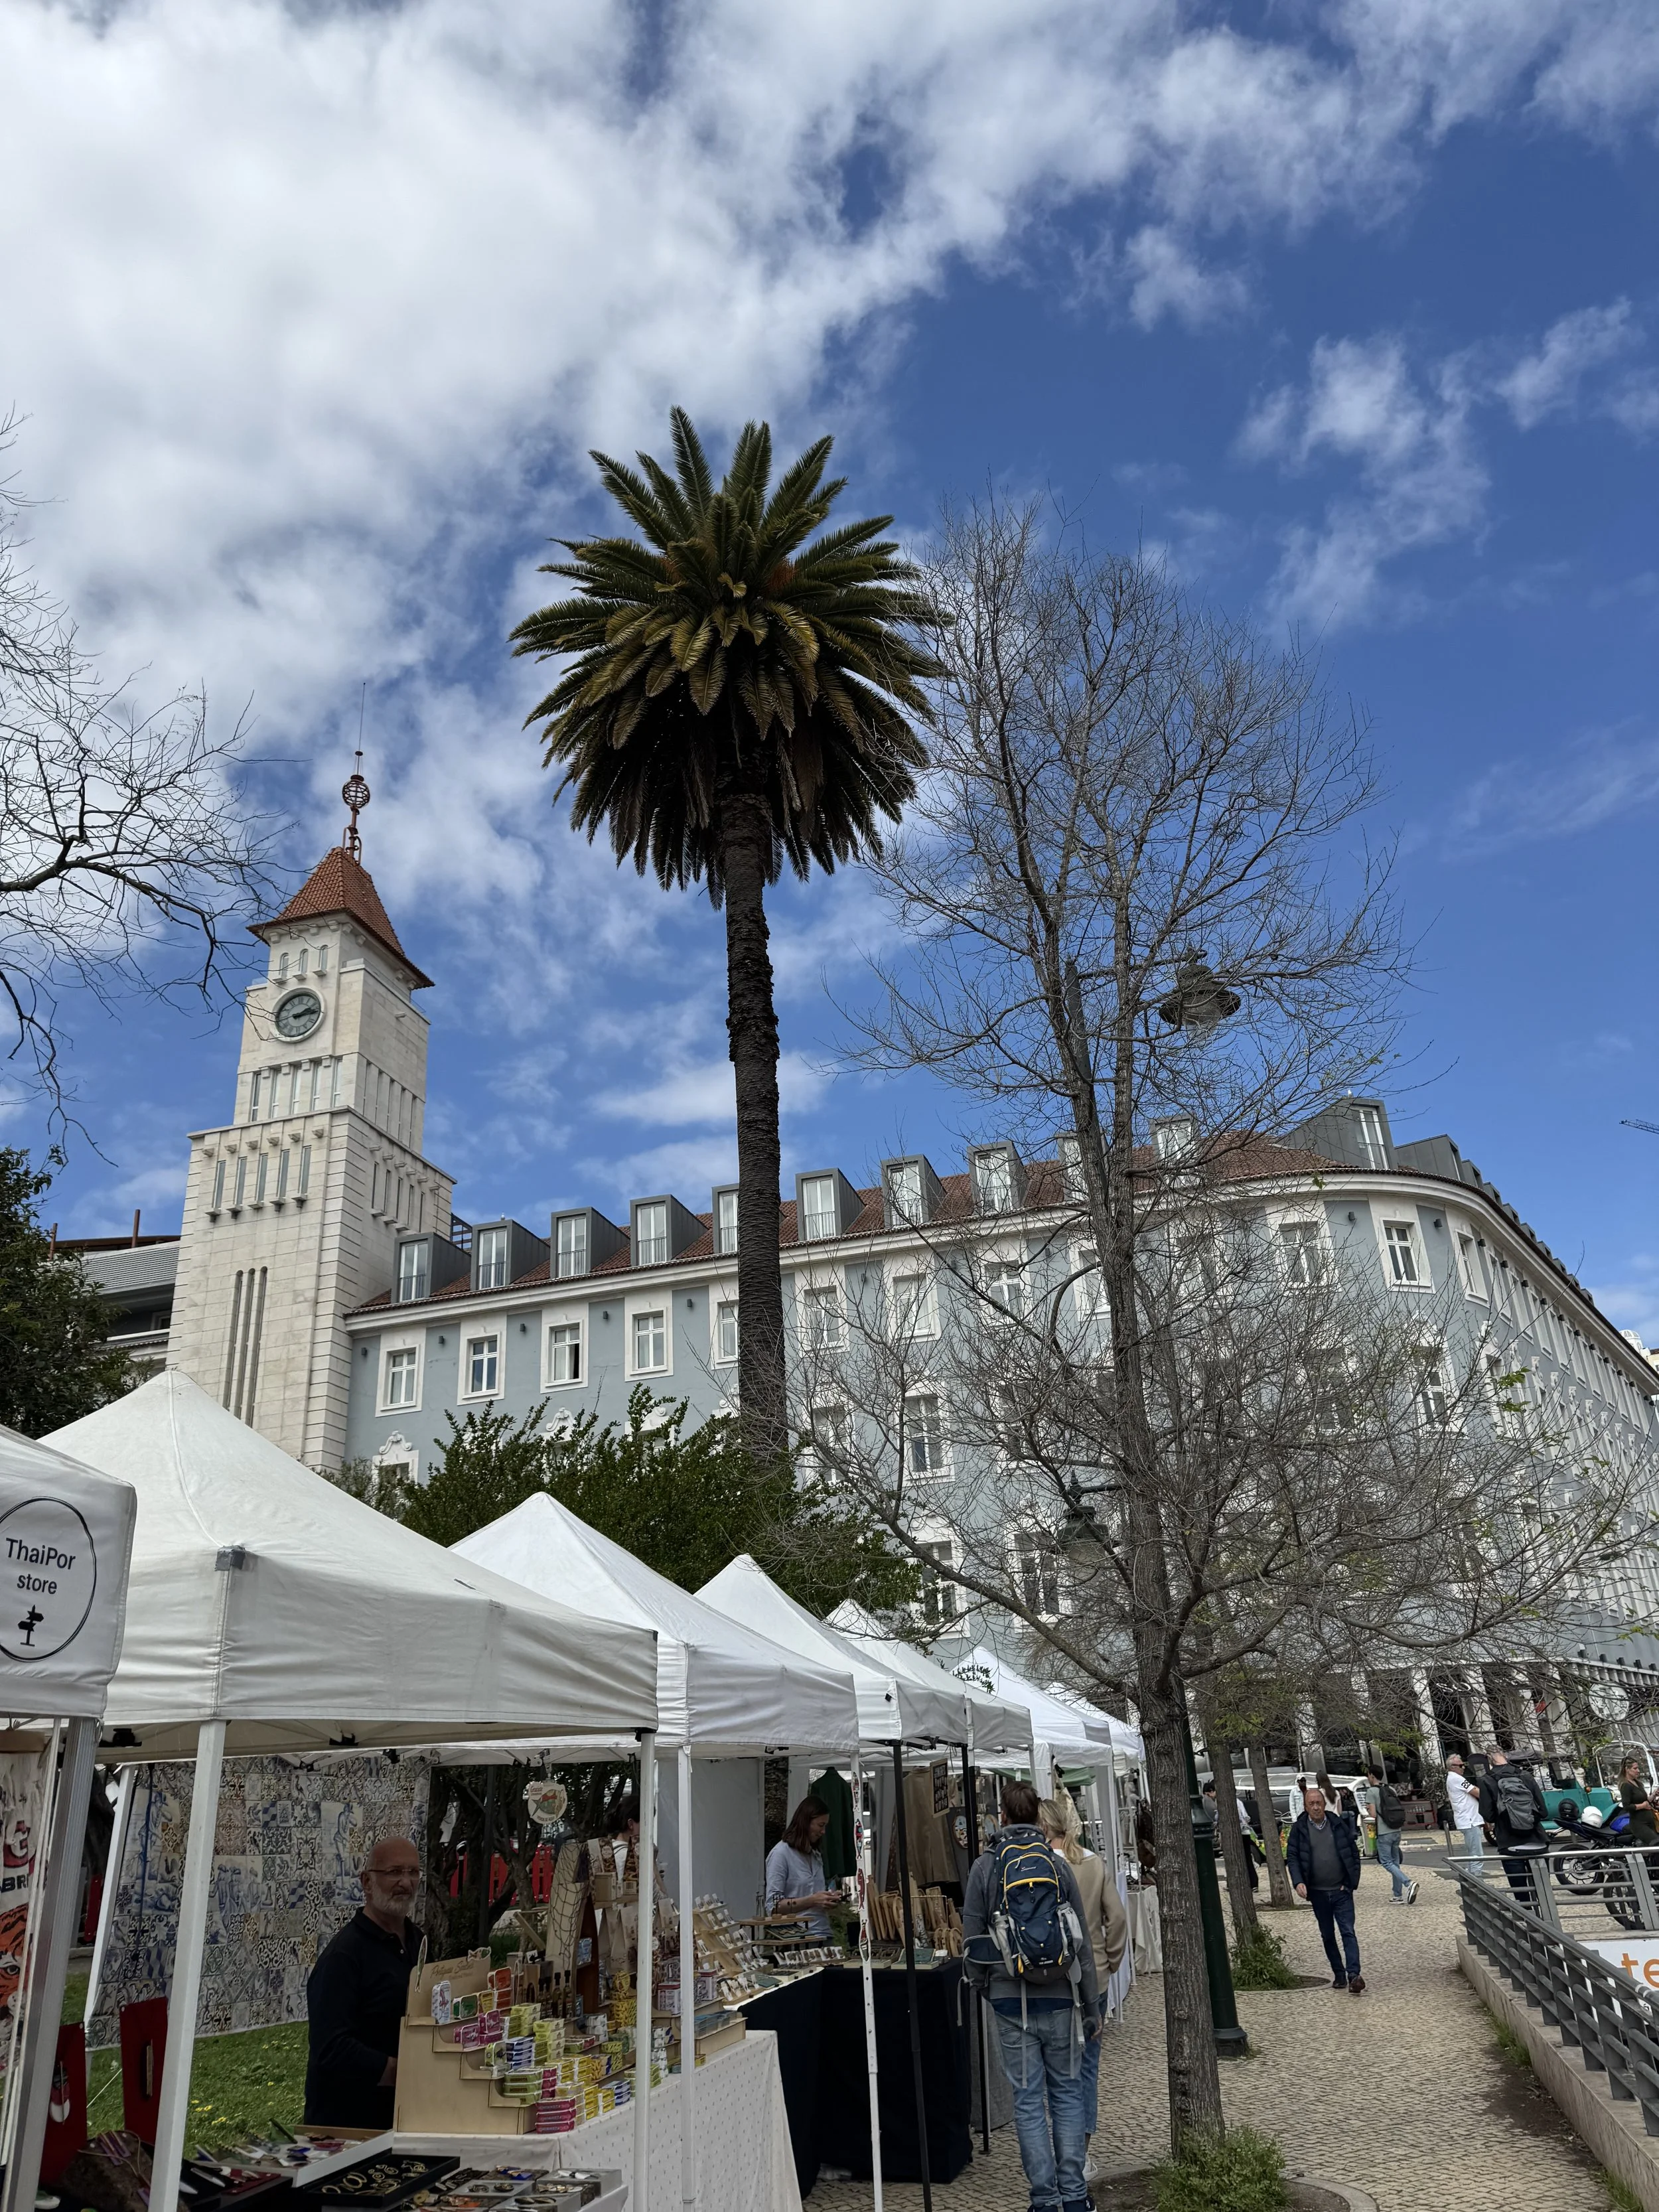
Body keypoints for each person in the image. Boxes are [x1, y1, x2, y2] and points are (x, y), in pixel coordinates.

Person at [964, 1779, 1100, 2212]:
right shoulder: (1057, 1865)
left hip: (1010, 1999)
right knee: (1066, 2093)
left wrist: (986, 1988)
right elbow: (1080, 1942)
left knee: (1027, 2100)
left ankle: (1044, 2200)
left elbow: (971, 1942)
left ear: (1002, 1815)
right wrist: (1092, 2004)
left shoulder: (986, 1867)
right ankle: (1075, 2196)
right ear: (1038, 1819)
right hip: (1060, 1995)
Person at [305, 1834, 424, 2130]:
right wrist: (402, 2072)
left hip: (405, 2115)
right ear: (367, 1882)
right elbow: (332, 2048)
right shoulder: (344, 1957)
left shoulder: (418, 1942)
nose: (406, 1883)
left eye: (413, 1872)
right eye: (394, 1872)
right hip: (350, 2128)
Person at [1039, 1793, 1127, 2189]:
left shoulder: (1042, 1868)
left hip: (1056, 1981)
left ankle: (1062, 2150)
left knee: (1058, 2071)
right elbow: (1118, 1918)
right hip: (1096, 1979)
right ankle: (1082, 2152)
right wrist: (1110, 1961)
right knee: (1087, 2068)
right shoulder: (1093, 1863)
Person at [1286, 1785, 1364, 1995]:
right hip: (1318, 1892)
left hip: (1341, 1891)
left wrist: (1350, 1883)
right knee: (1328, 1935)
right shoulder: (1299, 1829)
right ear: (1305, 1807)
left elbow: (1353, 1854)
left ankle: (1354, 1975)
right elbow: (1292, 1857)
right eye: (1311, 1804)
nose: (1316, 1807)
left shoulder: (1337, 1823)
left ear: (1324, 1804)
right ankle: (1339, 1974)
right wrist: (1298, 1882)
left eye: (1318, 1803)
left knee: (1348, 1931)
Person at [1479, 1747, 1550, 1909]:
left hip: (1510, 1844)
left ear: (1489, 1760)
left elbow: (1488, 1816)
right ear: (1505, 1756)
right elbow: (1544, 1812)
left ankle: (1530, 1927)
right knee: (1544, 1891)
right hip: (1538, 1842)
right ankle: (1550, 1925)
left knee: (1522, 1895)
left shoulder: (1486, 1780)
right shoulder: (1525, 1775)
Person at [764, 1795, 839, 1939]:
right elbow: (773, 1907)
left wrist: (828, 1898)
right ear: (805, 1823)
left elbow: (814, 1895)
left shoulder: (815, 1855)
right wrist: (812, 1900)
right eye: (820, 1825)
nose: (823, 1832)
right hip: (794, 1937)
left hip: (822, 1932)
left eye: (825, 1826)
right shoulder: (780, 1855)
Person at [1366, 1764, 1419, 1905]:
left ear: (1372, 1775)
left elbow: (1372, 1815)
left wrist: (1368, 1809)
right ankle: (1397, 1895)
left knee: (1387, 1862)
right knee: (1395, 1863)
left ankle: (1409, 1883)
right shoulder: (1390, 1789)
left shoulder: (1371, 1792)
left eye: (1368, 1775)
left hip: (1384, 1832)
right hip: (1396, 1830)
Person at [1445, 1752, 1485, 1866]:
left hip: (1469, 1819)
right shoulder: (1457, 1779)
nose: (1464, 1768)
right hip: (1469, 1820)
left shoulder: (1455, 1779)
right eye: (1461, 1766)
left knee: (1474, 1853)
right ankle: (1477, 1881)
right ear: (1453, 1767)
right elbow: (1477, 1792)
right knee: (1477, 1855)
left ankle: (1473, 1878)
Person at [1617, 1757, 1659, 1844]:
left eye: (1638, 1768)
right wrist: (1642, 1806)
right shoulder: (1626, 1786)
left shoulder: (1637, 1783)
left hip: (1650, 1821)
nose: (1638, 1771)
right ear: (1627, 1770)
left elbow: (1645, 1801)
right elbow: (1627, 1806)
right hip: (1639, 1823)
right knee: (1655, 1843)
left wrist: (1654, 1795)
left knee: (1654, 1850)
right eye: (1635, 1768)